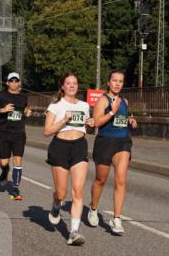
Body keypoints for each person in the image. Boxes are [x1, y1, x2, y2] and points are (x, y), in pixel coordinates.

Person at [43, 73, 93, 246]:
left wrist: (91, 123)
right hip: (60, 147)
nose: (72, 86)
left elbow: (86, 126)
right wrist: (64, 120)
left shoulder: (84, 105)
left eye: (75, 83)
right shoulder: (55, 105)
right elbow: (47, 131)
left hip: (79, 146)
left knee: (78, 191)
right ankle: (56, 205)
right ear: (62, 87)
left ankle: (74, 232)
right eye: (68, 83)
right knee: (62, 193)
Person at [87, 70, 138, 235]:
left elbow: (122, 121)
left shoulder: (125, 101)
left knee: (121, 180)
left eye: (121, 81)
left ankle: (116, 218)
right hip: (105, 142)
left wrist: (131, 122)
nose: (117, 84)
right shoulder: (103, 100)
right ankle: (93, 208)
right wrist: (111, 111)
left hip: (122, 142)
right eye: (114, 81)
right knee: (100, 179)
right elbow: (96, 123)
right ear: (108, 82)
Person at [0, 72, 32, 200]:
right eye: (11, 80)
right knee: (4, 162)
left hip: (19, 134)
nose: (14, 83)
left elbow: (24, 109)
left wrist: (28, 111)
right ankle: (4, 171)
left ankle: (15, 188)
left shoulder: (24, 97)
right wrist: (2, 110)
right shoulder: (1, 95)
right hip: (3, 133)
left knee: (18, 161)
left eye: (16, 80)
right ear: (7, 83)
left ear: (19, 83)